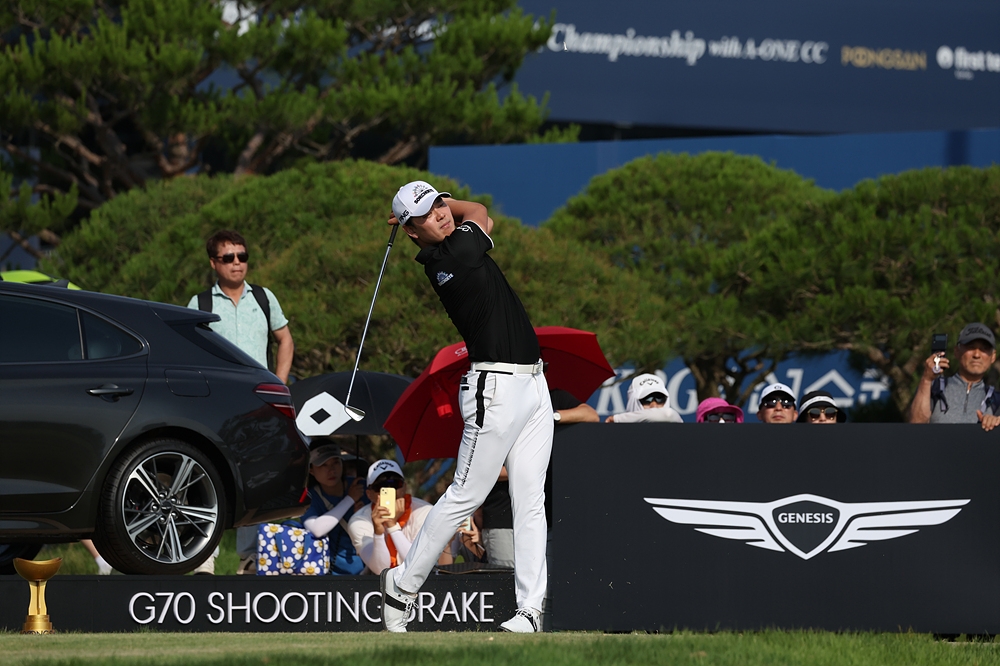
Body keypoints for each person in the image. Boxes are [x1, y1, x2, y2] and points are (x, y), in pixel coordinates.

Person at [379, 181, 552, 633]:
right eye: (426, 213)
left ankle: (530, 610)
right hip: (494, 388)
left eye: (438, 203)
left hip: (534, 383)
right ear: (411, 233)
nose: (439, 213)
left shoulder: (455, 243)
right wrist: (452, 202)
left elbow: (474, 214)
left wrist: (431, 204)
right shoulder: (452, 253)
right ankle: (402, 585)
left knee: (530, 499)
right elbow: (479, 208)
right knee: (464, 496)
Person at [186, 229, 295, 575]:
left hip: (258, 405)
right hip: (213, 406)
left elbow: (285, 340)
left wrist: (279, 383)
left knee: (255, 477)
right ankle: (203, 557)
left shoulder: (264, 298)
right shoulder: (200, 304)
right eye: (228, 257)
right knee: (207, 476)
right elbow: (188, 351)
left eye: (242, 256)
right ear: (213, 263)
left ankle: (249, 561)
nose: (237, 263)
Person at [346, 459, 447, 575]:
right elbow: (380, 570)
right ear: (369, 494)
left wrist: (392, 526)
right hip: (376, 585)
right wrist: (378, 534)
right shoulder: (359, 520)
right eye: (381, 487)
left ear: (404, 487)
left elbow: (418, 565)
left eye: (395, 484)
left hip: (422, 582)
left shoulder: (426, 512)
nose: (390, 491)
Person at [908, 323, 1000, 431]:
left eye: (984, 349)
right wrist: (927, 379)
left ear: (993, 356)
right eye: (971, 347)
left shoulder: (997, 399)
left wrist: (996, 425)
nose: (976, 355)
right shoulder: (934, 387)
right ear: (956, 351)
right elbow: (915, 428)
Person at [300, 444, 367, 575]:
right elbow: (316, 529)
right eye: (323, 465)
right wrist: (350, 499)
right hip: (328, 575)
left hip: (368, 570)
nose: (331, 470)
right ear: (311, 470)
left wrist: (366, 515)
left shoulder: (361, 487)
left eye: (336, 463)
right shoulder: (308, 497)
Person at [605, 373, 682, 423]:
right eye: (647, 399)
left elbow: (668, 414)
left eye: (660, 398)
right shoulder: (619, 435)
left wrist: (619, 419)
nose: (654, 406)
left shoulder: (675, 424)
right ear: (633, 401)